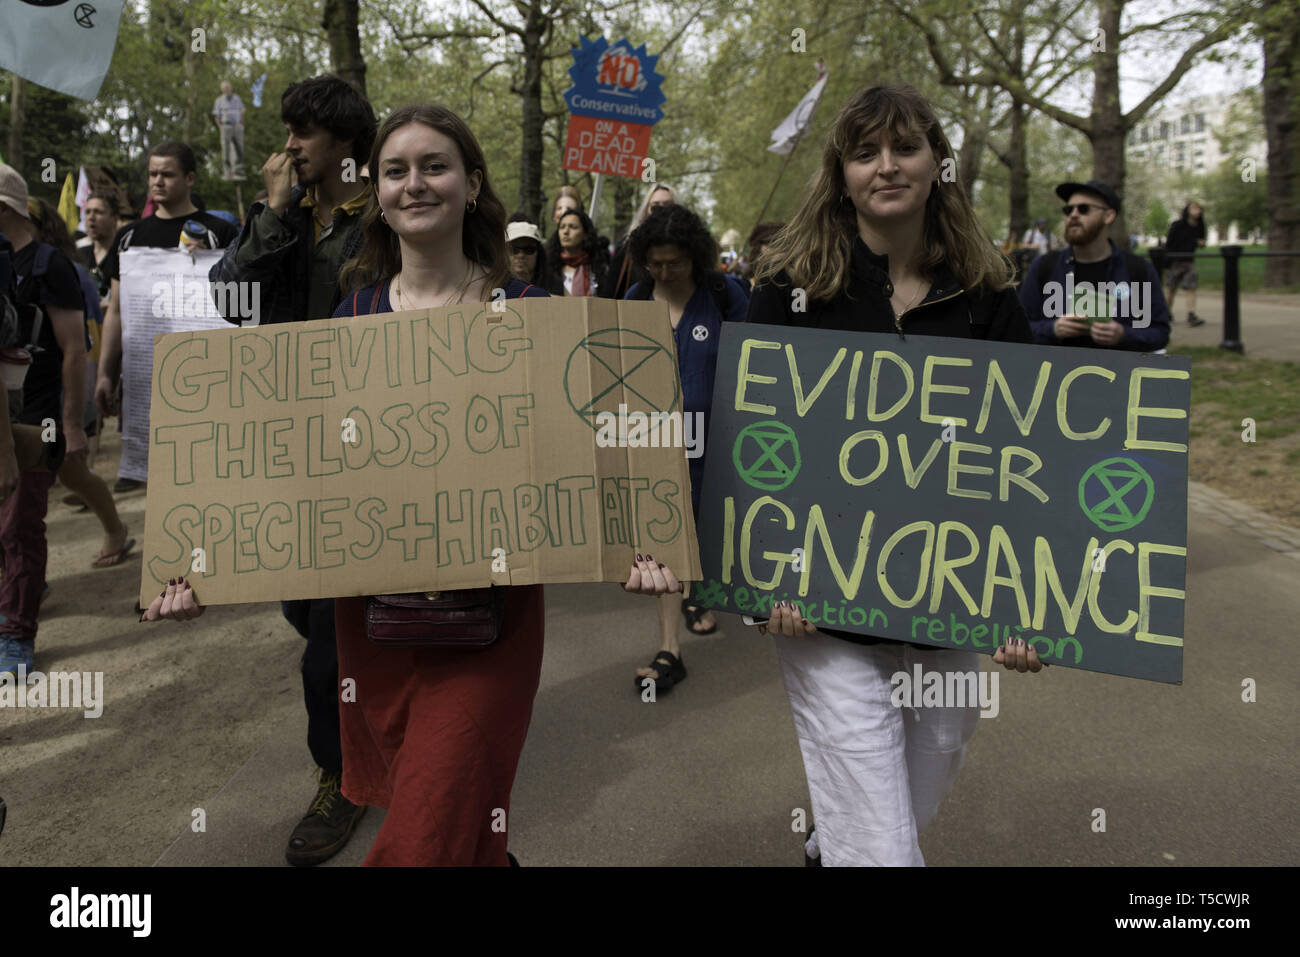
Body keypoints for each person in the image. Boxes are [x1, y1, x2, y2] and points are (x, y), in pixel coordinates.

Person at [143, 104, 674, 865]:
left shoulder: (534, 316)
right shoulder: (348, 318)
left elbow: (604, 450)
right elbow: (290, 468)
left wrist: (640, 541)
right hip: (377, 626)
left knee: (426, 829)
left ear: (470, 184)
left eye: (435, 166)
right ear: (376, 189)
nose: (415, 184)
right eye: (396, 170)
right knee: (456, 819)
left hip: (491, 625)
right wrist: (197, 563)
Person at [747, 85, 1044, 867]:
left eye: (905, 148)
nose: (886, 166)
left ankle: (830, 845)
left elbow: (1029, 456)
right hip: (823, 604)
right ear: (839, 171)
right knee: (881, 846)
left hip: (950, 596)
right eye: (864, 152)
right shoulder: (789, 290)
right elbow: (755, 442)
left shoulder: (986, 296)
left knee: (932, 753)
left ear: (937, 164)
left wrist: (1030, 602)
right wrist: (764, 576)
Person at [208, 73, 377, 867]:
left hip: (371, 451)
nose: (288, 147)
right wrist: (273, 216)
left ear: (342, 140)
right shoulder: (280, 217)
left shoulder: (382, 217)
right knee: (306, 612)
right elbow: (232, 304)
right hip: (292, 453)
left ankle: (339, 776)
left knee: (328, 646)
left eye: (303, 133)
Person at [623, 203, 749, 693]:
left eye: (673, 262)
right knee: (662, 540)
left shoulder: (725, 295)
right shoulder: (634, 299)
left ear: (694, 256)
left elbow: (758, 361)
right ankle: (669, 648)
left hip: (721, 444)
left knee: (713, 532)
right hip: (658, 445)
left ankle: (708, 593)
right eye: (655, 262)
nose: (664, 271)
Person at [93, 141, 238, 493]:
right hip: (146, 377)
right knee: (156, 480)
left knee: (208, 471)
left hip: (206, 376)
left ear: (189, 179)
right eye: (152, 174)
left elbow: (239, 305)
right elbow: (116, 310)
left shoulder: (221, 232)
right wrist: (105, 374)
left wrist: (211, 260)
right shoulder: (129, 238)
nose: (157, 181)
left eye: (167, 174)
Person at [0, 165, 88, 677]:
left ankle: (16, 635)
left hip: (36, 419)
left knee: (19, 528)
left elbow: (74, 349)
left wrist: (73, 426)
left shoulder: (49, 264)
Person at [27, 198, 133, 568]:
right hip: (23, 398)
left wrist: (79, 410)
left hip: (55, 394)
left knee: (70, 472)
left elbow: (84, 341)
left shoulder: (62, 271)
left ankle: (115, 530)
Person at [1019, 180, 1171, 352]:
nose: (1073, 215)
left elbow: (1159, 334)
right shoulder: (1044, 267)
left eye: (1083, 209)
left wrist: (1122, 335)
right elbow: (1018, 328)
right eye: (1069, 210)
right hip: (1057, 376)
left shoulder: (1137, 270)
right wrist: (1053, 329)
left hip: (1117, 375)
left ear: (1108, 216)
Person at [599, 184, 676, 299]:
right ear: (646, 210)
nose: (661, 211)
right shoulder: (627, 248)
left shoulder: (692, 247)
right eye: (655, 207)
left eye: (668, 206)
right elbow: (609, 295)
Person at [544, 208, 608, 295]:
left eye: (573, 227)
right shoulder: (548, 269)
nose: (566, 232)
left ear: (585, 234)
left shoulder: (597, 269)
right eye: (562, 227)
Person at [1164, 201, 1207, 327]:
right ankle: (1166, 314)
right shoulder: (1178, 225)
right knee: (1171, 289)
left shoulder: (1200, 226)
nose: (1197, 211)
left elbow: (1202, 241)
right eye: (1194, 208)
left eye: (1199, 209)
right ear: (1188, 210)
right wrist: (1166, 264)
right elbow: (1169, 244)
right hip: (1175, 260)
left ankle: (1191, 315)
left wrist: (1200, 243)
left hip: (1189, 261)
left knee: (1191, 288)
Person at [505, 215, 562, 294]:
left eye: (529, 250)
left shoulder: (557, 286)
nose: (521, 255)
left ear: (538, 253)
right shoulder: (494, 287)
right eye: (514, 249)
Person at [212, 81, 246, 179]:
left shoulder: (237, 98)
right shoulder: (219, 100)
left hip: (237, 126)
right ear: (222, 90)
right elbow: (216, 116)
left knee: (239, 147)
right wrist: (221, 127)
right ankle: (227, 171)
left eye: (228, 88)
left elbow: (241, 111)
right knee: (225, 150)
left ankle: (238, 170)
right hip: (225, 126)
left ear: (231, 88)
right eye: (224, 89)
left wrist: (242, 124)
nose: (226, 90)